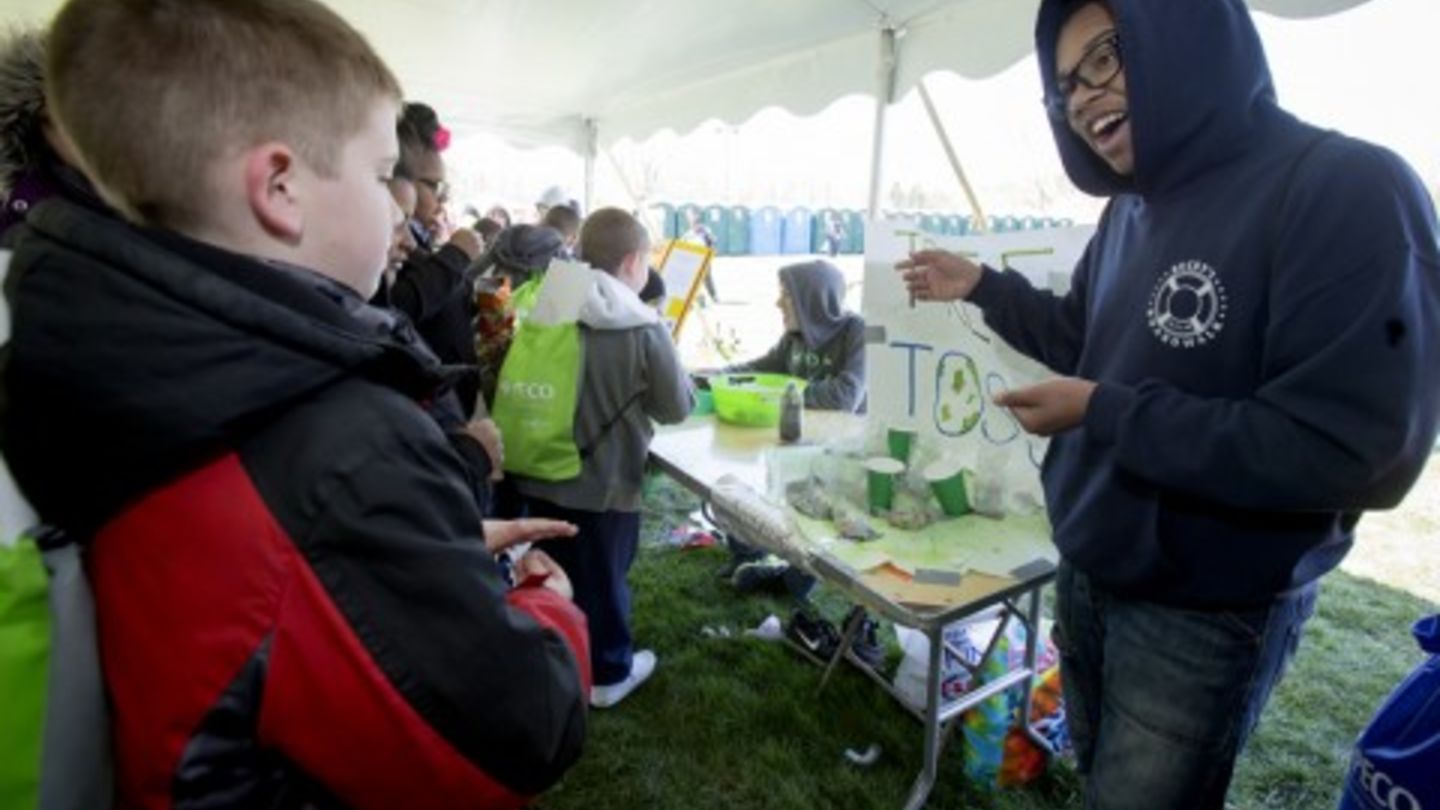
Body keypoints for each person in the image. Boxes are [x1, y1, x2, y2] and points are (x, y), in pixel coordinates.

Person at [1, 1, 592, 807]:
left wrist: (408, 548)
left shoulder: (120, 368)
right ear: (280, 186)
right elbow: (521, 729)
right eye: (384, 173)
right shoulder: (341, 453)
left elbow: (261, 573)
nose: (399, 208)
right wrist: (545, 607)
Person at [897, 1, 1440, 805]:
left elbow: (1352, 449)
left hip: (1203, 606)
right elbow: (1083, 337)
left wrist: (1103, 411)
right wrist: (982, 286)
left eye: (1105, 59)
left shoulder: (1345, 186)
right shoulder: (1127, 211)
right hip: (1086, 566)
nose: (1081, 98)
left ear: (1184, 33)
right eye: (1066, 84)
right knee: (1101, 777)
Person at [513, 208, 694, 709]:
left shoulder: (551, 297)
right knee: (604, 580)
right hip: (605, 481)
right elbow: (675, 406)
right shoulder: (642, 324)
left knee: (551, 571)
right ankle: (609, 672)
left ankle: (551, 651)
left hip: (536, 462)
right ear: (634, 261)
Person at [714, 259, 867, 595]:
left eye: (786, 295)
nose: (778, 302)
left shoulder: (855, 332)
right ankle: (751, 553)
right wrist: (716, 375)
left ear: (812, 299)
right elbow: (760, 367)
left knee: (808, 512)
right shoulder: (794, 339)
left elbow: (845, 396)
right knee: (737, 475)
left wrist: (784, 392)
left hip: (837, 453)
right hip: (795, 441)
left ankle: (793, 576)